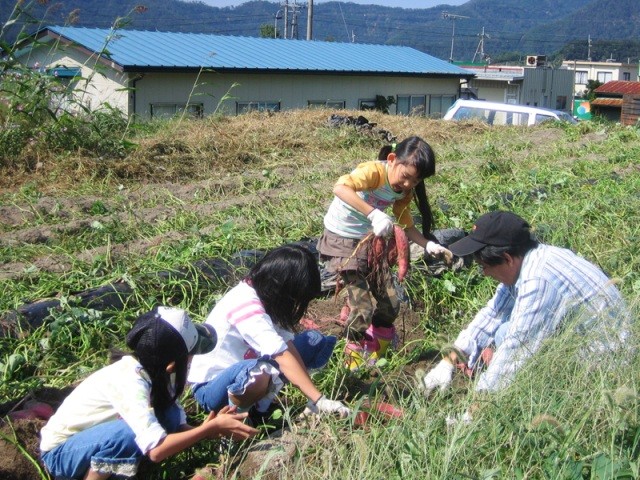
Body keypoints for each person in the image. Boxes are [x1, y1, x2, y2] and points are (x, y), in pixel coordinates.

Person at [39, 306, 258, 480]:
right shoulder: (129, 382)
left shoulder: (159, 374)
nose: (191, 361)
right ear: (172, 364)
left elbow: (177, 427)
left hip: (95, 439)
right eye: (189, 356)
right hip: (61, 454)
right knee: (126, 434)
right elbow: (156, 450)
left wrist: (205, 431)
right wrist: (207, 429)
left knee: (169, 416)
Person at [422, 210, 629, 393]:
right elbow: (494, 312)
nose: (484, 273)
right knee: (502, 329)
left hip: (605, 364)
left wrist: (476, 408)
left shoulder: (538, 280)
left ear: (507, 258)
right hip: (588, 343)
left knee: (509, 339)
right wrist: (448, 361)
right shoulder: (529, 260)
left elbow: (517, 347)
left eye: (484, 266)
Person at [317, 136, 452, 368]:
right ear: (392, 160)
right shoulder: (373, 172)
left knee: (391, 303)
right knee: (362, 307)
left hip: (369, 242)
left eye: (416, 180)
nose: (409, 184)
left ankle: (377, 353)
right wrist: (373, 213)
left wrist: (427, 244)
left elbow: (405, 223)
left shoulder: (404, 192)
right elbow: (340, 187)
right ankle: (352, 360)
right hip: (340, 239)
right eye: (406, 176)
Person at [188, 244, 350, 424]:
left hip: (249, 372)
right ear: (283, 289)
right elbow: (279, 354)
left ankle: (260, 406)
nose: (297, 306)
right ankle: (237, 421)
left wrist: (314, 398)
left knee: (313, 340)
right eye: (295, 298)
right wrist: (321, 400)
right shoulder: (245, 304)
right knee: (258, 372)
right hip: (212, 388)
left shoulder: (268, 299)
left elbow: (286, 347)